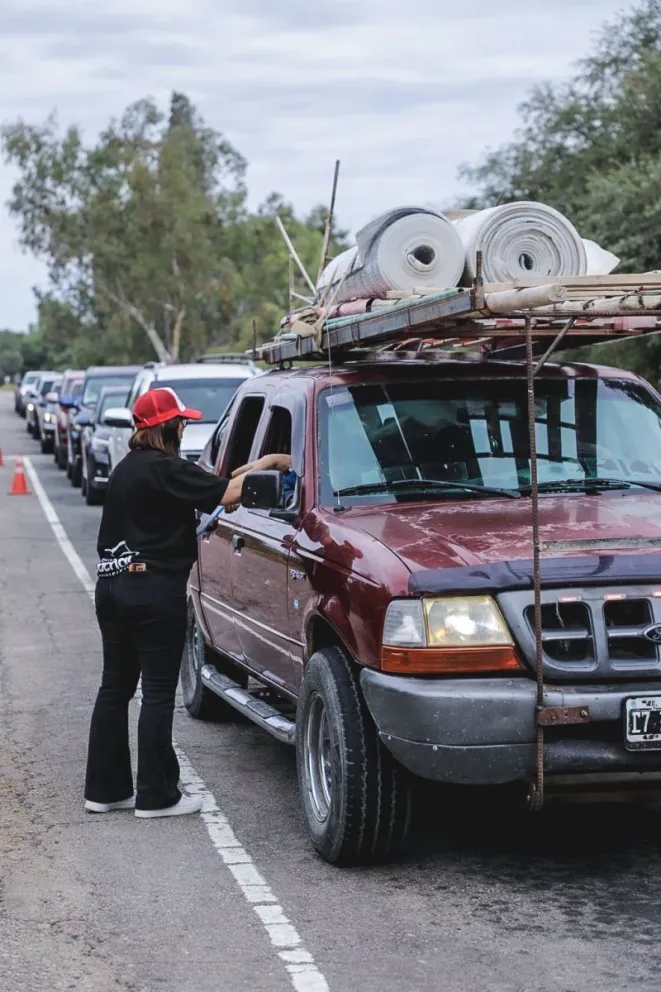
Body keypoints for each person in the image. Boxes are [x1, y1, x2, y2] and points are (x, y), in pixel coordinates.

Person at [84, 386, 291, 819]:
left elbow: (220, 483)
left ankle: (105, 791)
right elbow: (227, 493)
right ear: (166, 428)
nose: (184, 428)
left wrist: (259, 466)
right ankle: (157, 796)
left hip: (112, 587)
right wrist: (273, 464)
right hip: (153, 590)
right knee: (157, 693)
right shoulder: (165, 469)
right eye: (181, 422)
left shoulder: (128, 470)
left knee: (114, 688)